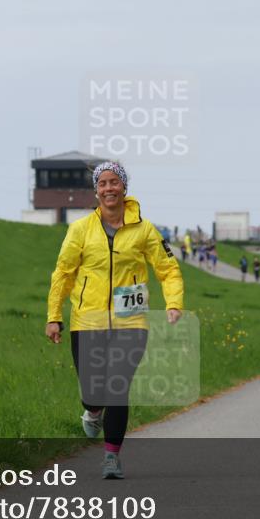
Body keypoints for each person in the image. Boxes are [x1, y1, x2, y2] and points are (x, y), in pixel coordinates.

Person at [45, 161, 184, 479]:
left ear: (124, 187)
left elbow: (168, 268)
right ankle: (92, 410)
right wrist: (54, 316)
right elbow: (63, 274)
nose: (109, 188)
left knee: (117, 388)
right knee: (94, 392)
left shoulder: (145, 230)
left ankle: (111, 458)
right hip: (88, 321)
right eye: (102, 183)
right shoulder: (80, 230)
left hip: (130, 321)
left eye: (114, 182)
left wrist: (173, 303)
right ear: (96, 191)